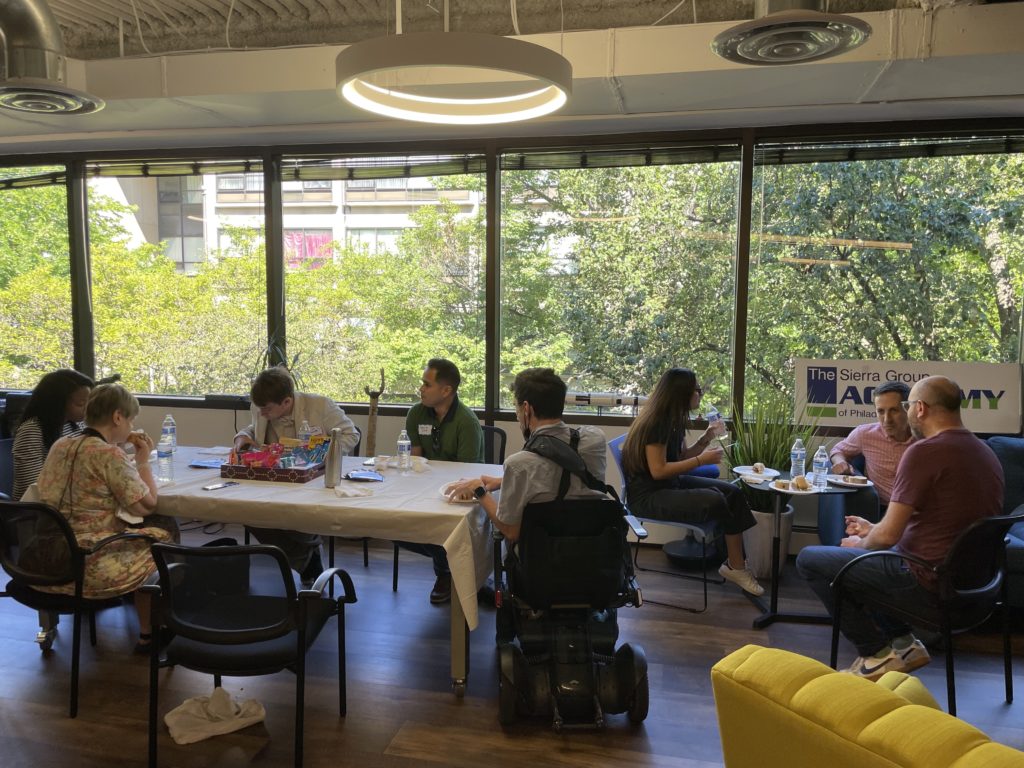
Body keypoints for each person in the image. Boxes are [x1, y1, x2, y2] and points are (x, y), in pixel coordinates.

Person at [796, 375, 1004, 680]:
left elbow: (889, 536)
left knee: (811, 560)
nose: (900, 415)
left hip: (928, 586)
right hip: (977, 593)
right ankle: (905, 645)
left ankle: (876, 652)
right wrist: (873, 530)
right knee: (865, 556)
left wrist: (863, 544)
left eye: (904, 407)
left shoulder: (923, 451)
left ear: (919, 408)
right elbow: (940, 526)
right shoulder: (985, 452)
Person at [34, 383, 179, 653]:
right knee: (164, 531)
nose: (131, 425)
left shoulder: (61, 445)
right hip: (89, 563)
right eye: (131, 419)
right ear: (117, 417)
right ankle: (149, 633)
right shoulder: (109, 454)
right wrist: (143, 460)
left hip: (45, 558)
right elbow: (146, 506)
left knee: (149, 530)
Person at [621, 367, 764, 596]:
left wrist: (706, 438)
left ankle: (736, 566)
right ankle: (731, 561)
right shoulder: (657, 423)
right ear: (681, 393)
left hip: (669, 485)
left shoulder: (672, 419)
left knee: (733, 493)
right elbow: (658, 471)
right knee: (715, 500)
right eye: (697, 390)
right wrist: (701, 460)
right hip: (648, 497)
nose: (700, 394)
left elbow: (679, 459)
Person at [233, 366, 359, 583]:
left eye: (267, 409)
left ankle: (304, 557)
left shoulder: (320, 405)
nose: (262, 412)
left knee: (296, 512)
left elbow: (351, 434)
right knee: (244, 510)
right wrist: (242, 436)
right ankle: (308, 554)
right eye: (259, 408)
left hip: (312, 479)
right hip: (274, 478)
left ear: (287, 402)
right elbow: (253, 428)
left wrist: (320, 453)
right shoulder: (261, 407)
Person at [472, 368, 606, 543]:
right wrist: (503, 481)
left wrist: (479, 491)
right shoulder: (595, 439)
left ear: (526, 408)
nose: (517, 416)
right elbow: (558, 476)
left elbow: (511, 532)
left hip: (543, 561)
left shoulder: (519, 464)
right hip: (595, 555)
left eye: (516, 407)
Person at [400, 359, 484, 604]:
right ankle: (447, 564)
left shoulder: (466, 422)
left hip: (455, 494)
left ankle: (446, 572)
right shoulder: (416, 413)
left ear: (446, 391)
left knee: (443, 526)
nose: (421, 389)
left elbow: (468, 474)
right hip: (422, 490)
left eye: (427, 384)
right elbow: (414, 459)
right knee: (393, 527)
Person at [12, 369, 94, 502]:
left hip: (71, 498)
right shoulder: (32, 430)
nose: (87, 409)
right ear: (57, 403)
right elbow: (32, 486)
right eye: (80, 404)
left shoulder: (77, 424)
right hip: (40, 508)